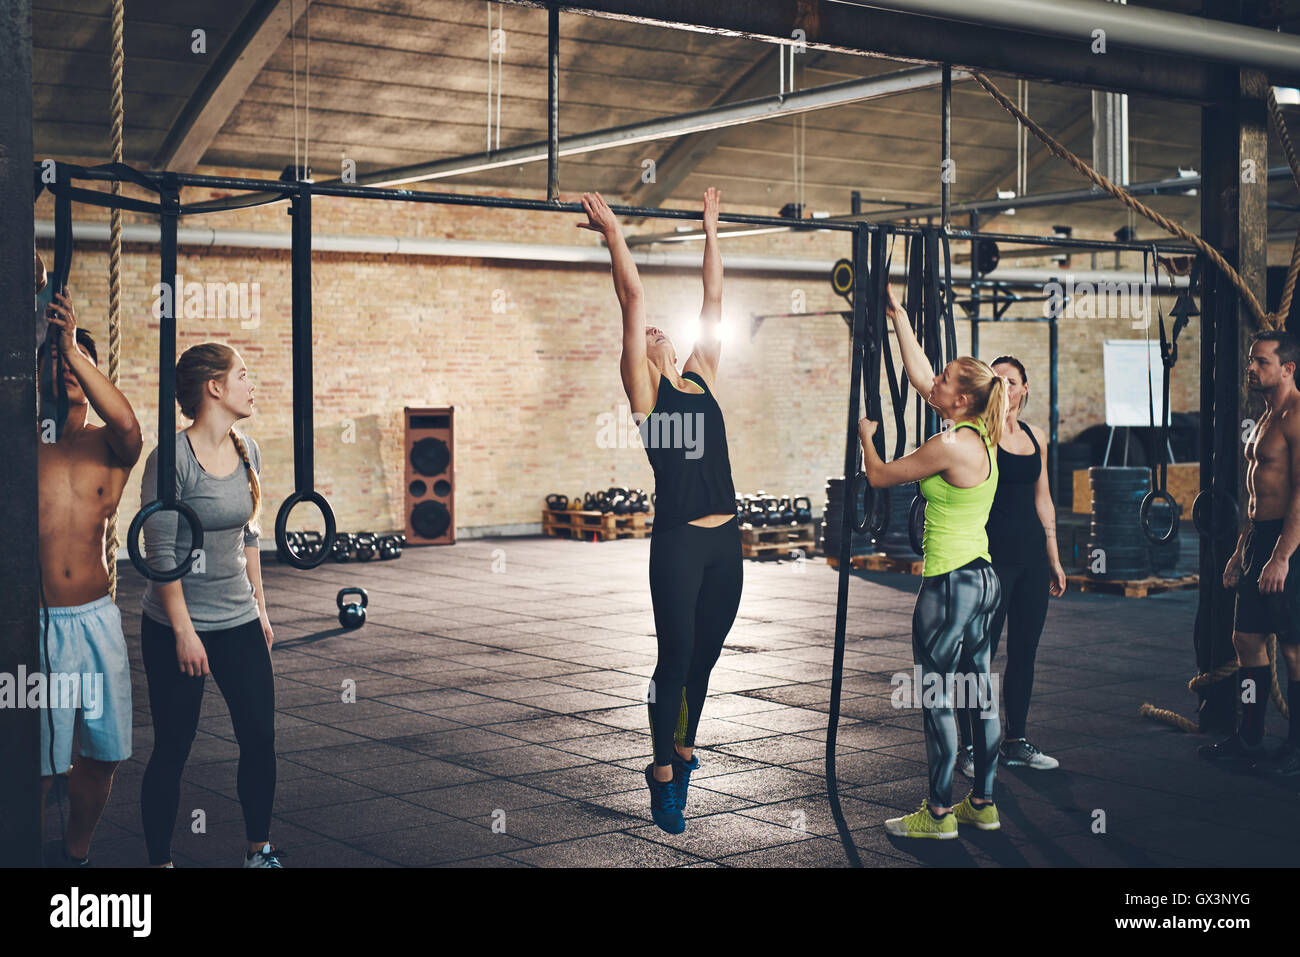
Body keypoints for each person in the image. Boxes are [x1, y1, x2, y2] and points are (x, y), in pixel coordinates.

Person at [579, 187, 742, 834]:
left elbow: (714, 301)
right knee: (674, 656)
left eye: (657, 334)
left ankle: (683, 745)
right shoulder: (645, 393)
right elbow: (633, 298)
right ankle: (662, 771)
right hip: (676, 540)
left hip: (727, 540)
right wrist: (616, 233)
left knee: (705, 657)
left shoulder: (700, 375)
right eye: (645, 337)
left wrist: (710, 228)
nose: (653, 331)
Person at [860, 283, 1006, 839]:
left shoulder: (947, 446)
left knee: (938, 697)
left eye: (947, 380)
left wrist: (867, 438)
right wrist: (898, 315)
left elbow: (880, 476)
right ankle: (984, 804)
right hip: (985, 582)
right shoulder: (982, 433)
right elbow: (921, 377)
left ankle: (939, 813)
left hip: (949, 587)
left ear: (961, 399)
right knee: (980, 690)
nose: (935, 383)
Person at [138, 342, 281, 867]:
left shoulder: (248, 450)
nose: (252, 383)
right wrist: (182, 631)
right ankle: (161, 862)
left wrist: (261, 608)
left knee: (260, 739)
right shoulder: (170, 460)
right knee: (173, 749)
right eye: (243, 374)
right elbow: (160, 552)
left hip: (237, 618)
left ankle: (258, 852)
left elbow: (250, 534)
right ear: (214, 388)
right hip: (176, 624)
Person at [36, 277, 143, 867]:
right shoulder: (25, 445)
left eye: (78, 362)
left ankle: (75, 853)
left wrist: (73, 346)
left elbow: (131, 427)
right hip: (41, 623)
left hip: (97, 621)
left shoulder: (111, 446)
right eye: (57, 361)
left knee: (103, 754)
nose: (68, 371)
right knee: (41, 763)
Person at [956, 356, 1067, 778]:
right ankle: (968, 746)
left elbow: (1043, 499)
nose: (1005, 385)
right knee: (975, 654)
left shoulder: (1036, 436)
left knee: (1024, 651)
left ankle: (1015, 741)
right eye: (996, 379)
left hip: (1032, 561)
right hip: (991, 559)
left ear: (1024, 389)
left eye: (1012, 380)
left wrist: (1054, 557)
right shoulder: (978, 435)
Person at [1199, 331, 1300, 773]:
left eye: (1261, 362)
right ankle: (1250, 735)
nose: (1251, 369)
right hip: (1261, 536)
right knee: (1247, 640)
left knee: (1295, 650)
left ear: (1287, 368)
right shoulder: (1265, 416)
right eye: (1250, 362)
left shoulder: (1297, 415)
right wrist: (1243, 549)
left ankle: (1297, 747)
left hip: (1289, 541)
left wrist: (1281, 555)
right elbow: (1257, 492)